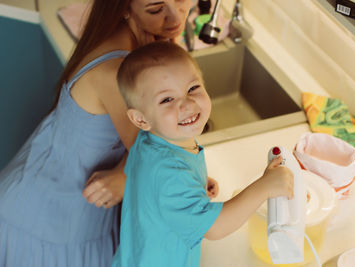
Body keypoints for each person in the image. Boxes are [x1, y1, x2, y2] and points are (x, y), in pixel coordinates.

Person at [0, 1, 203, 267]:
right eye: (155, 9)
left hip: (65, 210)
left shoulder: (142, 46)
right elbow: (158, 158)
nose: (175, 16)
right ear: (124, 8)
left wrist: (125, 172)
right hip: (48, 222)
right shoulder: (117, 71)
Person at [111, 41, 294, 267]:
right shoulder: (171, 173)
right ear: (141, 119)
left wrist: (195, 183)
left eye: (192, 88)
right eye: (167, 99)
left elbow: (154, 184)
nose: (187, 104)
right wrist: (264, 187)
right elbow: (215, 228)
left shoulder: (154, 138)